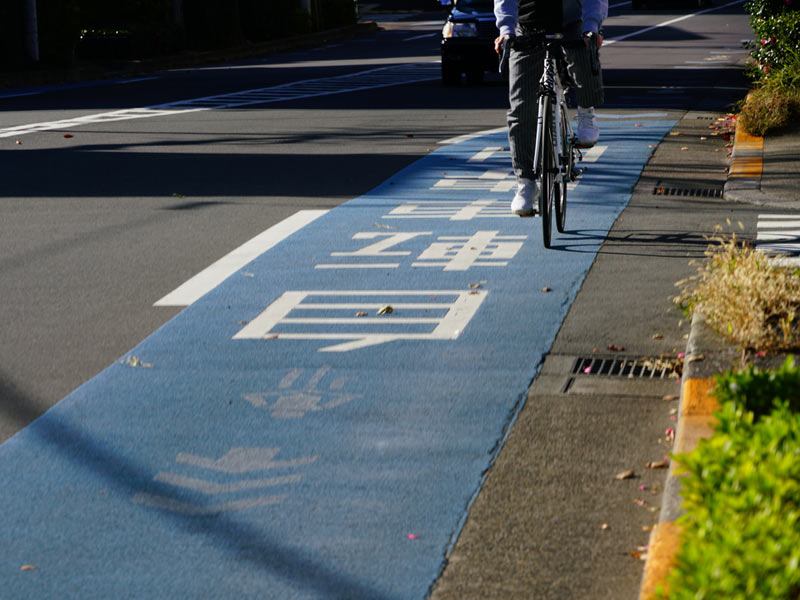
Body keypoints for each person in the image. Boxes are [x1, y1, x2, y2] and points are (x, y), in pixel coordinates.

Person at [494, 0, 608, 216]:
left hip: (572, 22)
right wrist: (506, 30)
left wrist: (592, 27)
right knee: (520, 109)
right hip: (527, 26)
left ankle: (586, 113)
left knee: (586, 50)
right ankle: (526, 183)